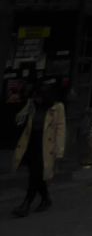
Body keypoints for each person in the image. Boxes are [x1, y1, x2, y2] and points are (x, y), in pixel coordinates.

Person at [11, 81, 66, 217]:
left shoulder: (57, 107)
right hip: (32, 143)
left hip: (46, 147)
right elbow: (18, 119)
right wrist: (27, 108)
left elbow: (61, 130)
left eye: (39, 97)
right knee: (36, 174)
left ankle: (26, 203)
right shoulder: (33, 106)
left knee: (35, 174)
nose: (37, 99)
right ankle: (46, 199)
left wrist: (59, 152)